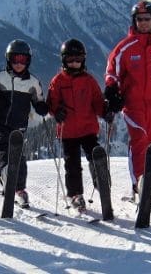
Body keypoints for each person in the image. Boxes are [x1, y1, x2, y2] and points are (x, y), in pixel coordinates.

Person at [104, 1, 151, 209]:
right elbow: (112, 73)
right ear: (134, 21)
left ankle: (148, 188)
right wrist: (112, 90)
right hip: (133, 105)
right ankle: (139, 184)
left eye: (147, 19)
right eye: (140, 19)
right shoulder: (125, 48)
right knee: (140, 140)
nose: (144, 23)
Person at [0, 39, 48, 208]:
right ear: (8, 59)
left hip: (20, 125)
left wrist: (41, 107)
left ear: (28, 61)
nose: (18, 64)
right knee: (3, 150)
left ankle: (19, 190)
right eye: (15, 60)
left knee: (18, 156)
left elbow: (38, 99)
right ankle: (6, 174)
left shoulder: (33, 82)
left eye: (23, 60)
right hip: (1, 122)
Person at [47, 39, 106, 212]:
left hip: (88, 128)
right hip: (68, 131)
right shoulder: (58, 81)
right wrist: (56, 112)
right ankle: (75, 194)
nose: (74, 63)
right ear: (64, 60)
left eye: (78, 59)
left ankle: (101, 182)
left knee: (96, 156)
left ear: (83, 59)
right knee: (72, 165)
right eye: (70, 59)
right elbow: (51, 103)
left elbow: (98, 102)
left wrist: (106, 111)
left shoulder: (89, 80)